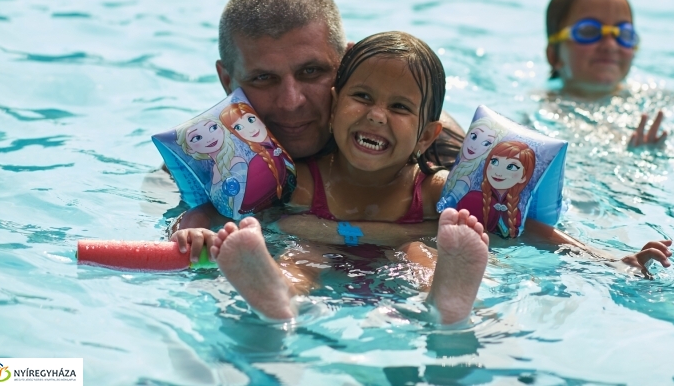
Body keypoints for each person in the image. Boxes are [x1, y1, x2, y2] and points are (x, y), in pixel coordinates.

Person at [210, 31, 490, 325]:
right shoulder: (303, 182)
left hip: (401, 271)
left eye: (399, 107)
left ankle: (445, 298)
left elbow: (501, 232)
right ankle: (279, 293)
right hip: (319, 256)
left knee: (420, 251)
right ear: (334, 106)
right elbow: (254, 217)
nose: (377, 115)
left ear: (426, 137)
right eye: (362, 96)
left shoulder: (435, 191)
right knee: (304, 253)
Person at [170, 0, 462, 257]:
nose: (291, 101)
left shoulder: (431, 143)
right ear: (227, 80)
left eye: (311, 71)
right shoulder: (208, 153)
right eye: (263, 78)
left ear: (345, 64)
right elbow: (177, 223)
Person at [544, 0, 667, 148]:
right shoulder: (546, 113)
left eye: (623, 34)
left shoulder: (648, 98)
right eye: (589, 32)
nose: (610, 45)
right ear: (554, 56)